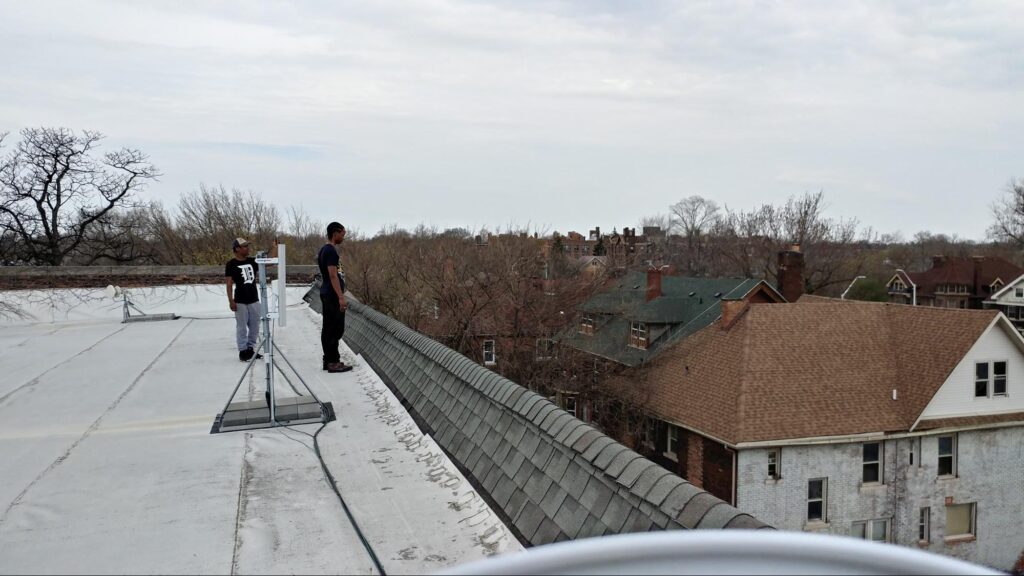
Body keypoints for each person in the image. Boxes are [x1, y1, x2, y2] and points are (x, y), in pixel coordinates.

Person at [318, 222, 352, 373]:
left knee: (329, 328)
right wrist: (341, 297)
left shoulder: (323, 250)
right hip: (332, 295)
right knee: (334, 329)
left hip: (327, 293)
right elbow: (333, 275)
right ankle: (333, 362)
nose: (343, 237)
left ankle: (329, 359)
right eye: (342, 234)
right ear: (335, 233)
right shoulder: (331, 251)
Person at [225, 238, 263, 362]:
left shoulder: (252, 261)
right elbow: (229, 283)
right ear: (237, 248)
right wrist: (231, 300)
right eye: (245, 246)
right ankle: (242, 351)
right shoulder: (231, 264)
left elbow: (270, 261)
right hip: (240, 300)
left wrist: (275, 246)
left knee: (255, 326)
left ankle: (251, 349)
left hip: (253, 299)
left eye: (247, 246)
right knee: (241, 327)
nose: (247, 248)